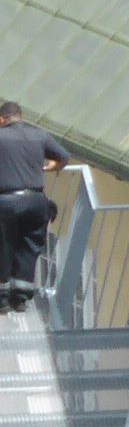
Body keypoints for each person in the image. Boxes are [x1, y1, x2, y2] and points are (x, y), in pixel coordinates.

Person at [0, 104, 66, 306]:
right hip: (36, 201)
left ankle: (2, 297)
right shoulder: (39, 135)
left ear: (2, 119)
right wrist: (49, 167)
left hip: (7, 201)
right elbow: (63, 157)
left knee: (4, 245)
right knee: (29, 247)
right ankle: (20, 297)